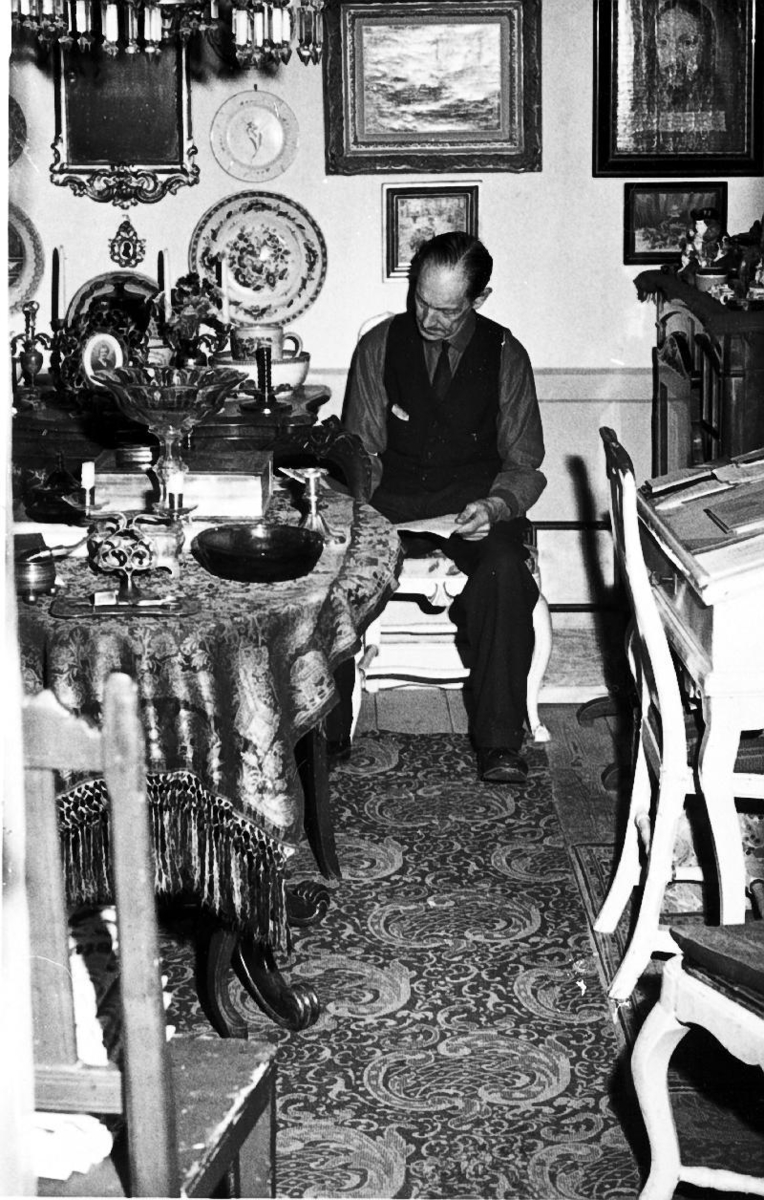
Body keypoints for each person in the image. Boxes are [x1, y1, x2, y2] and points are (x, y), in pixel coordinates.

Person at [343, 232, 546, 785]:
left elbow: (525, 463)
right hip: (393, 504)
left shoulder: (505, 355)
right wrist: (360, 513)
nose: (429, 320)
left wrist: (496, 506)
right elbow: (361, 453)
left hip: (474, 506)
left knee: (505, 572)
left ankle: (500, 742)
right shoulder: (380, 346)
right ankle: (329, 733)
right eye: (421, 302)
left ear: (479, 299)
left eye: (448, 311)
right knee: (335, 569)